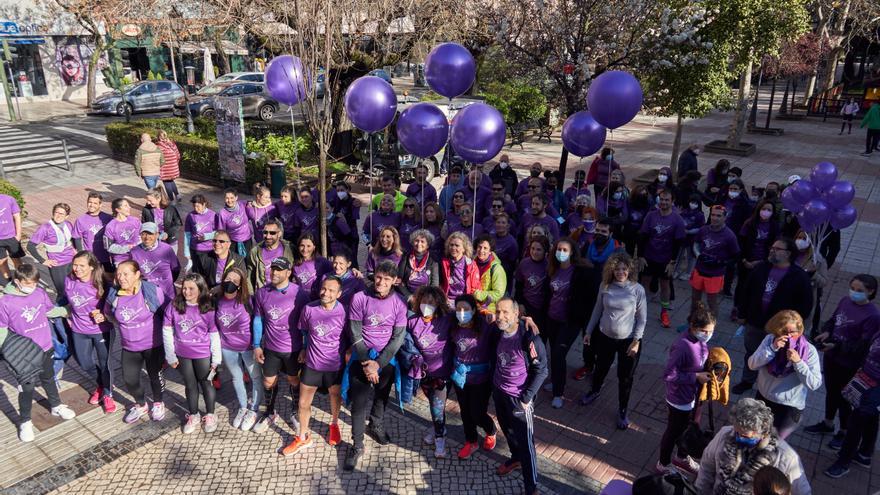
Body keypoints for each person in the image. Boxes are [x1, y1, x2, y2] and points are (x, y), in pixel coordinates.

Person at [344, 260, 408, 471]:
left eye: (387, 279)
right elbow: (354, 331)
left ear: (395, 281)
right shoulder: (360, 298)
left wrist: (378, 364)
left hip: (385, 359)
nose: (381, 282)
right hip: (361, 358)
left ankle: (376, 424)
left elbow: (398, 338)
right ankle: (357, 444)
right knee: (359, 402)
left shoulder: (399, 303)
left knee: (381, 396)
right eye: (378, 277)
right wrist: (366, 363)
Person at [0, 264, 74, 442]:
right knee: (26, 388)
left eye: (34, 283)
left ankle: (56, 405)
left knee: (48, 378)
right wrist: (5, 352)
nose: (31, 287)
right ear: (17, 281)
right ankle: (25, 421)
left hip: (46, 347)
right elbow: (1, 328)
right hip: (24, 354)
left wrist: (66, 311)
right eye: (27, 283)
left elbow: (48, 310)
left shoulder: (39, 293)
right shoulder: (6, 301)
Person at [806, 274, 880, 449]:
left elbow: (862, 345)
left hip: (849, 364)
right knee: (831, 391)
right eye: (852, 288)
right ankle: (828, 423)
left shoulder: (873, 316)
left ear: (870, 292)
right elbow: (833, 321)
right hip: (832, 357)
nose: (854, 293)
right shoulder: (845, 301)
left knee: (844, 398)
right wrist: (826, 332)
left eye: (859, 290)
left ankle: (844, 431)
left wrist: (836, 345)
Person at [732, 238, 813, 395]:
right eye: (772, 247)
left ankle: (766, 388)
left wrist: (794, 327)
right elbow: (746, 291)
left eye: (777, 249)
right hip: (755, 322)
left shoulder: (799, 277)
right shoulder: (761, 268)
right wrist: (742, 313)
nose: (772, 250)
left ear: (788, 254)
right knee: (752, 353)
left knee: (776, 356)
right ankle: (747, 381)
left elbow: (805, 305)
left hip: (780, 328)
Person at [281, 276, 348, 455]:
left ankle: (334, 424)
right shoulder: (309, 309)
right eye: (324, 288)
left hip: (334, 364)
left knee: (334, 395)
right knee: (303, 403)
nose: (326, 293)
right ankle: (303, 437)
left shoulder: (344, 312)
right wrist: (303, 348)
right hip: (312, 363)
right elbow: (304, 330)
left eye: (331, 290)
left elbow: (349, 337)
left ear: (339, 294)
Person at [581, 252, 646, 430]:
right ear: (611, 270)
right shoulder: (605, 285)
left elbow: (642, 319)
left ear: (630, 270)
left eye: (624, 269)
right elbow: (597, 309)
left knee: (625, 377)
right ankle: (594, 391)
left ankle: (623, 410)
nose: (620, 272)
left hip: (628, 341)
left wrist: (637, 341)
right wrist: (588, 331)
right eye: (617, 269)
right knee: (600, 367)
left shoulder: (637, 289)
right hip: (605, 337)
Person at [491, 297, 548, 495]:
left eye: (506, 312)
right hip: (499, 392)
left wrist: (526, 398)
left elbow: (542, 370)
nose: (500, 316)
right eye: (498, 311)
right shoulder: (496, 330)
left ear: (516, 314)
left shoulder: (529, 337)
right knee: (507, 430)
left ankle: (531, 488)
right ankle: (515, 459)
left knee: (526, 444)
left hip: (519, 398)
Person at [695, 398, 811, 495]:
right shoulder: (725, 433)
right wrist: (700, 490)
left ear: (764, 432)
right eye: (736, 432)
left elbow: (803, 492)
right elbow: (707, 465)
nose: (738, 437)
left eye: (745, 435)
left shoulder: (787, 457)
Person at [103, 260, 169, 424]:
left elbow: (168, 312)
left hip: (154, 344)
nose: (121, 278)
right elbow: (108, 313)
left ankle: (158, 402)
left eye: (125, 274)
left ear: (137, 274)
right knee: (130, 380)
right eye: (118, 274)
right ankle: (141, 404)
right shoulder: (114, 294)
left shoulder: (152, 291)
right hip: (129, 346)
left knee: (155, 376)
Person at [656, 301, 715, 473]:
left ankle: (681, 457)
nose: (708, 335)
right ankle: (663, 463)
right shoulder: (682, 346)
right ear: (692, 326)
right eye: (704, 331)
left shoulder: (700, 341)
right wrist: (696, 376)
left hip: (694, 395)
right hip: (679, 399)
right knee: (674, 432)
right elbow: (669, 374)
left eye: (711, 331)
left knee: (688, 428)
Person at [251, 257, 307, 434]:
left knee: (293, 379)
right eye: (272, 269)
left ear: (288, 273)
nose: (274, 272)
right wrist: (256, 345)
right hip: (271, 347)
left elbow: (306, 323)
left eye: (279, 270)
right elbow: (258, 319)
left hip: (294, 348)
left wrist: (305, 347)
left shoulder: (300, 293)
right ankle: (269, 412)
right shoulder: (262, 292)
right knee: (268, 381)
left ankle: (295, 412)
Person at [748, 310, 821, 440]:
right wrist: (771, 349)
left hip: (788, 407)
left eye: (792, 333)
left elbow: (814, 384)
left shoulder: (809, 351)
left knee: (774, 444)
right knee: (755, 437)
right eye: (782, 332)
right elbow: (752, 364)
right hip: (763, 399)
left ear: (800, 331)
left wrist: (798, 362)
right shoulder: (770, 340)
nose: (787, 337)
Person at [163, 273, 221, 433]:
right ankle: (194, 414)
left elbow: (214, 334)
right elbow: (167, 331)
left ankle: (210, 414)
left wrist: (216, 359)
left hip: (202, 353)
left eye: (191, 289)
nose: (186, 292)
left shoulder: (208, 307)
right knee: (190, 385)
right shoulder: (174, 305)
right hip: (182, 353)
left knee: (206, 383)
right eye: (184, 288)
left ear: (201, 289)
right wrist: (170, 355)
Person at [405, 286, 454, 457]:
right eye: (424, 302)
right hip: (424, 376)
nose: (427, 305)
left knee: (436, 407)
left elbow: (468, 314)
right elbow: (406, 343)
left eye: (431, 303)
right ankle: (436, 428)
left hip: (443, 375)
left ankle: (440, 440)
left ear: (438, 304)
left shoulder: (447, 319)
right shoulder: (412, 322)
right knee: (433, 405)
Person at [824, 328, 880, 478]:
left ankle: (844, 462)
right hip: (865, 379)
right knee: (872, 418)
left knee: (856, 422)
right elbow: (865, 348)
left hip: (875, 389)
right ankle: (865, 454)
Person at [64, 251, 115, 413]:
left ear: (91, 267)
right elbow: (67, 301)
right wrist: (67, 314)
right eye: (75, 265)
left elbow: (116, 306)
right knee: (85, 363)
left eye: (81, 266)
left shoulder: (103, 282)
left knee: (104, 363)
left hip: (101, 330)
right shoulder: (69, 280)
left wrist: (105, 315)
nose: (76, 269)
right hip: (79, 329)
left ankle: (107, 393)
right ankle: (102, 384)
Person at [450, 294, 498, 459]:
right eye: (458, 309)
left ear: (474, 310)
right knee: (465, 411)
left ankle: (490, 429)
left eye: (466, 309)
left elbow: (507, 324)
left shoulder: (485, 325)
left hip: (481, 379)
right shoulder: (453, 325)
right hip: (460, 378)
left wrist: (493, 314)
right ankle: (471, 441)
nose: (461, 312)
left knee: (477, 412)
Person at [215, 267, 262, 431]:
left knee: (255, 377)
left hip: (248, 347)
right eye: (228, 279)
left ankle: (254, 409)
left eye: (235, 281)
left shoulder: (248, 300)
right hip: (228, 347)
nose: (231, 283)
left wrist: (258, 345)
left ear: (241, 285)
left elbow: (258, 322)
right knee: (236, 378)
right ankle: (243, 407)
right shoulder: (217, 299)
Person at [637, 189, 686, 328]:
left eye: (667, 200)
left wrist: (672, 262)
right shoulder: (651, 215)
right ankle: (640, 310)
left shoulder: (677, 219)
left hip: (665, 259)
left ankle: (664, 312)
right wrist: (640, 256)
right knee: (644, 283)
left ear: (672, 201)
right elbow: (643, 236)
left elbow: (678, 242)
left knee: (665, 285)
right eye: (661, 199)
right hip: (648, 256)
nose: (663, 202)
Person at [690, 205, 740, 318]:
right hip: (699, 270)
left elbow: (736, 255)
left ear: (725, 217)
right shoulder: (703, 230)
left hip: (715, 274)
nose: (715, 218)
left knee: (711, 302)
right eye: (713, 215)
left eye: (719, 216)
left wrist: (722, 262)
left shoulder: (730, 235)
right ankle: (692, 323)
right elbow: (696, 244)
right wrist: (698, 255)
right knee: (695, 299)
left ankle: (710, 328)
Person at [734, 200, 780, 319]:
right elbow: (741, 243)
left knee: (758, 287)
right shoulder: (749, 223)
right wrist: (744, 260)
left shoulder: (774, 226)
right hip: (746, 261)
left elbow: (776, 246)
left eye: (769, 210)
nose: (766, 212)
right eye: (763, 209)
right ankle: (737, 309)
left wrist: (761, 261)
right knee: (742, 285)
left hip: (763, 262)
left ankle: (751, 311)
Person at [27, 202, 76, 296]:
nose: (58, 215)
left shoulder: (68, 224)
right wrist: (43, 261)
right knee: (61, 290)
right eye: (56, 212)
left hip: (71, 260)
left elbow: (71, 238)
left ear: (67, 216)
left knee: (72, 286)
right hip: (57, 263)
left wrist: (74, 249)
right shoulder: (45, 228)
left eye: (62, 214)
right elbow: (30, 246)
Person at [130, 222, 180, 301]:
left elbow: (176, 269)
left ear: (157, 235)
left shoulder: (167, 249)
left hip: (168, 294)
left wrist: (168, 282)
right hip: (148, 296)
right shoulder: (134, 252)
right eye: (143, 234)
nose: (147, 237)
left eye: (150, 234)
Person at [791, 230, 828, 335]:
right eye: (799, 237)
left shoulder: (818, 260)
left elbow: (823, 282)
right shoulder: (788, 254)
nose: (800, 241)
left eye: (804, 239)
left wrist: (814, 274)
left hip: (803, 300)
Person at [246, 218, 294, 290]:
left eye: (272, 233)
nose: (268, 236)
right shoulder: (255, 252)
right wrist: (251, 297)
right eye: (265, 232)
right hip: (264, 293)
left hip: (284, 292)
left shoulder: (289, 249)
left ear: (279, 234)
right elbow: (249, 277)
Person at [73, 192, 113, 273]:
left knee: (109, 280)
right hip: (91, 258)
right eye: (90, 202)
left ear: (100, 205)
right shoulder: (80, 220)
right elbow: (76, 238)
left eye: (95, 203)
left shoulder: (108, 218)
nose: (92, 205)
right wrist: (82, 255)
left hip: (106, 257)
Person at [396, 229, 440, 303]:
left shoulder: (433, 260)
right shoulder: (406, 257)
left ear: (428, 245)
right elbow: (399, 281)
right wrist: (409, 296)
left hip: (426, 298)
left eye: (422, 242)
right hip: (408, 297)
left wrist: (426, 298)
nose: (419, 244)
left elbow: (434, 284)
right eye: (416, 241)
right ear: (413, 243)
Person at [439, 232, 481, 306]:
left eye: (457, 245)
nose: (453, 248)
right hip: (447, 301)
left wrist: (468, 301)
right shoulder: (444, 263)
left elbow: (475, 288)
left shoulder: (471, 265)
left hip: (464, 301)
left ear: (464, 249)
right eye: (451, 245)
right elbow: (440, 284)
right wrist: (444, 298)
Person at [184, 194, 218, 276]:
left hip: (209, 250)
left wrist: (206, 237)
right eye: (194, 206)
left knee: (210, 275)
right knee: (197, 275)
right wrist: (187, 252)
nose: (196, 209)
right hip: (195, 249)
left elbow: (218, 232)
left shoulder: (213, 215)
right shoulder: (190, 216)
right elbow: (187, 235)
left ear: (204, 204)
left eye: (198, 206)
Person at [472, 235, 507, 315]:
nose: (481, 250)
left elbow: (498, 293)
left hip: (489, 311)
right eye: (479, 247)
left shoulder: (497, 268)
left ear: (490, 251)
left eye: (485, 248)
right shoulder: (471, 264)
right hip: (473, 309)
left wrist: (478, 294)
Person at [141, 187, 182, 253]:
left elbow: (178, 224)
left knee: (171, 260)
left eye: (150, 200)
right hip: (154, 242)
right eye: (147, 200)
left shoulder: (171, 208)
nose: (148, 203)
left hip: (170, 240)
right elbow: (144, 225)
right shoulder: (146, 210)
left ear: (159, 198)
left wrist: (167, 233)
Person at [104, 198, 142, 268]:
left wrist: (138, 245)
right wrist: (127, 248)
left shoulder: (135, 220)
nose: (129, 207)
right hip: (121, 260)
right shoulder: (110, 226)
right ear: (118, 209)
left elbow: (142, 236)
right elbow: (108, 247)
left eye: (129, 205)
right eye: (126, 205)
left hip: (138, 257)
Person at [218, 188, 254, 256]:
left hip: (247, 239)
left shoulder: (243, 204)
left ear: (236, 197)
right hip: (233, 242)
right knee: (236, 263)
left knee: (248, 261)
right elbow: (221, 231)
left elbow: (254, 205)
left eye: (232, 198)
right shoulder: (222, 213)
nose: (229, 200)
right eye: (227, 198)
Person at [0, 192, 23, 283]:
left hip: (11, 237)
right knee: (1, 261)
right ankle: (9, 283)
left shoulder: (9, 199)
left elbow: (17, 216)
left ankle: (21, 280)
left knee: (16, 260)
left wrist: (18, 235)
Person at [156, 130, 181, 203]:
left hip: (165, 169)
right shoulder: (172, 144)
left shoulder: (158, 147)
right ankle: (177, 195)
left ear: (158, 137)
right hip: (173, 168)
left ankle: (172, 200)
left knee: (167, 183)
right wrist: (175, 164)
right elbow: (178, 155)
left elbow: (157, 158)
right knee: (171, 181)